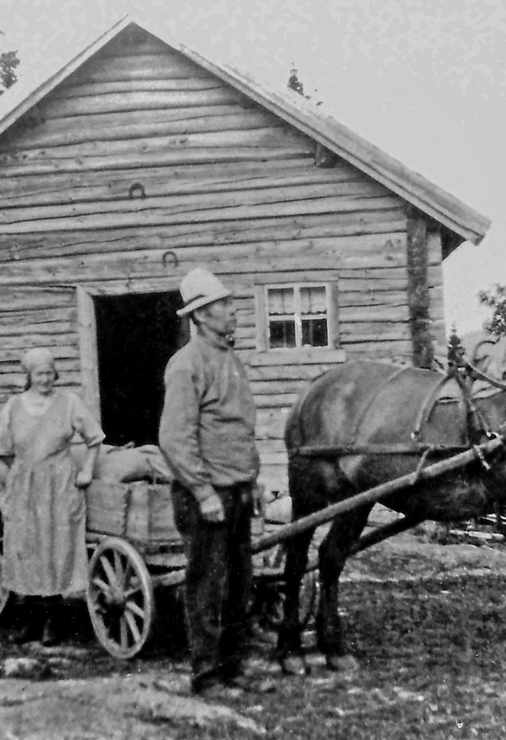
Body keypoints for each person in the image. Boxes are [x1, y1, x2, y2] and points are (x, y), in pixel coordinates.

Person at [158, 268, 275, 697]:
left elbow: (239, 429)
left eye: (229, 303)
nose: (232, 310)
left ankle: (234, 668)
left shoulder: (230, 360)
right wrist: (203, 491)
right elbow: (174, 437)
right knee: (209, 585)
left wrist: (253, 481)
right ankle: (206, 676)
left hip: (238, 491)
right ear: (203, 315)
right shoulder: (186, 365)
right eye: (224, 305)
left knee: (240, 585)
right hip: (206, 496)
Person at [0, 347, 103, 645]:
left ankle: (54, 620)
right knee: (25, 546)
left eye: (50, 373)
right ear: (29, 376)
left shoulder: (68, 403)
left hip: (60, 485)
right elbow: (2, 449)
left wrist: (87, 470)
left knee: (56, 547)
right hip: (25, 486)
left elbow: (94, 438)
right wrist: (24, 473)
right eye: (39, 374)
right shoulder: (14, 406)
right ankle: (30, 621)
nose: (45, 379)